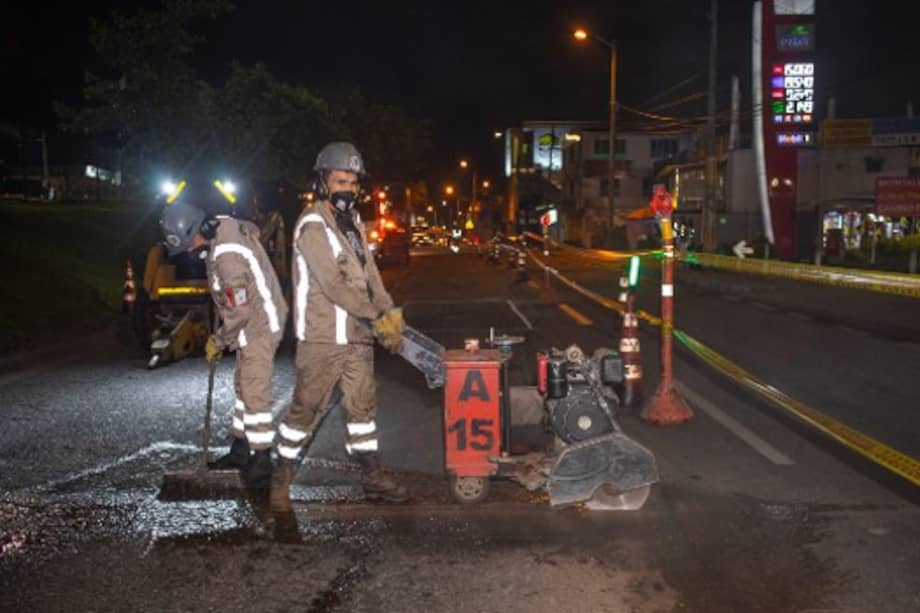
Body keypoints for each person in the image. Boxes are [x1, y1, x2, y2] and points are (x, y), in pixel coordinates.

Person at [271, 142, 408, 509]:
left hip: (357, 338)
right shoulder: (312, 225)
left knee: (362, 412)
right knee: (305, 410)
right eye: (339, 180)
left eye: (352, 182)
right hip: (322, 339)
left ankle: (373, 477)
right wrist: (375, 316)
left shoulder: (354, 225)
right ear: (322, 182)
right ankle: (280, 478)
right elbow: (333, 285)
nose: (346, 188)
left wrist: (389, 312)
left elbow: (370, 276)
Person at [159, 199, 289, 489]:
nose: (190, 252)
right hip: (253, 320)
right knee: (244, 385)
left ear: (197, 231)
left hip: (259, 323)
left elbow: (239, 312)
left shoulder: (227, 258)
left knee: (255, 391)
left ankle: (262, 462)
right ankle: (241, 450)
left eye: (189, 246)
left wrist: (218, 341)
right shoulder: (221, 226)